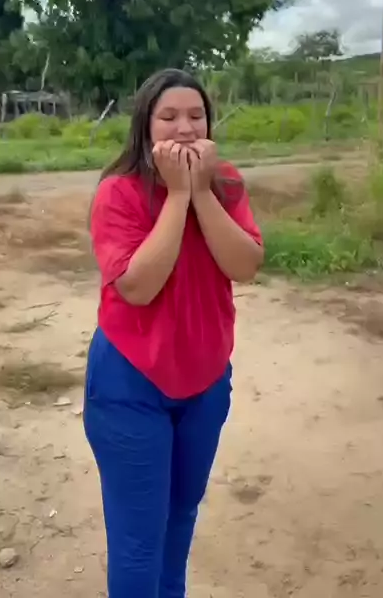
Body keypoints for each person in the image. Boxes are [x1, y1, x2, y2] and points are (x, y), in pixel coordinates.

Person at [83, 68, 264, 598]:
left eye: (196, 116)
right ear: (145, 127)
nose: (185, 128)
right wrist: (178, 196)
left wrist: (201, 192)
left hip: (205, 382)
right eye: (168, 117)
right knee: (139, 538)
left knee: (181, 516)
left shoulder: (226, 184)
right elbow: (138, 287)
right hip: (130, 384)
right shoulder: (118, 193)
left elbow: (245, 265)